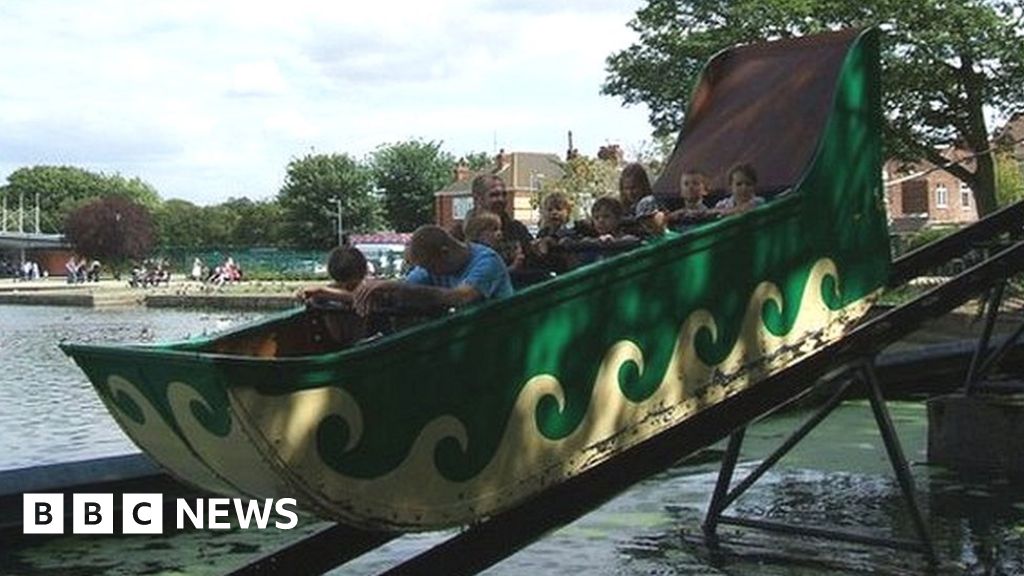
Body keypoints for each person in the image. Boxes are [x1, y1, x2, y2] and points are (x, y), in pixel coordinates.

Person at [354, 225, 512, 316]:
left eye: (429, 266)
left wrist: (397, 287)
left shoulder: (487, 262)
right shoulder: (430, 265)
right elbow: (407, 290)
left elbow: (461, 297)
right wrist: (378, 293)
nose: (428, 271)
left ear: (444, 252)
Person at [297, 245, 369, 306]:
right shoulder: (325, 293)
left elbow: (356, 298)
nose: (345, 287)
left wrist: (322, 291)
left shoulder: (371, 291)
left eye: (352, 285)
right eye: (340, 285)